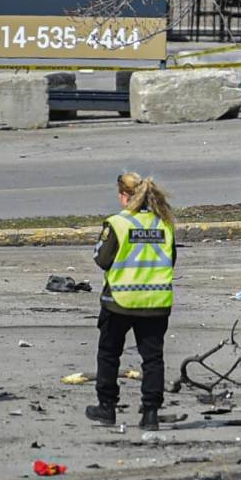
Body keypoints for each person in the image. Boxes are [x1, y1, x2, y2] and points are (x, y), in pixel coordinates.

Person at [87, 172, 176, 432]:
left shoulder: (118, 223)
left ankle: (107, 407)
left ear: (125, 196)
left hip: (120, 301)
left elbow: (102, 259)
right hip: (156, 302)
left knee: (109, 353)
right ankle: (151, 414)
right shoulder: (165, 224)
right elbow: (171, 259)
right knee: (153, 359)